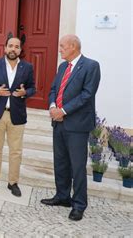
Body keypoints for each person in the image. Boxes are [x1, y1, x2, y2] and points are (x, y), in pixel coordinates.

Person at [41, 34, 101, 221]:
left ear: (73, 46)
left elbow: (87, 95)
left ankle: (79, 204)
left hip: (77, 125)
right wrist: (52, 107)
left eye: (62, 46)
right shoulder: (62, 67)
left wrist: (64, 110)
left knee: (77, 167)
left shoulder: (91, 66)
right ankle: (62, 196)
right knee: (60, 163)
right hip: (58, 123)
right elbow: (53, 90)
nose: (59, 49)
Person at [0, 37, 35, 197]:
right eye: (10, 46)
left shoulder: (27, 67)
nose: (13, 49)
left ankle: (13, 182)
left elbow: (33, 88)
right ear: (5, 48)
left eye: (17, 47)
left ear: (20, 50)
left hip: (17, 115)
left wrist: (26, 92)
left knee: (16, 151)